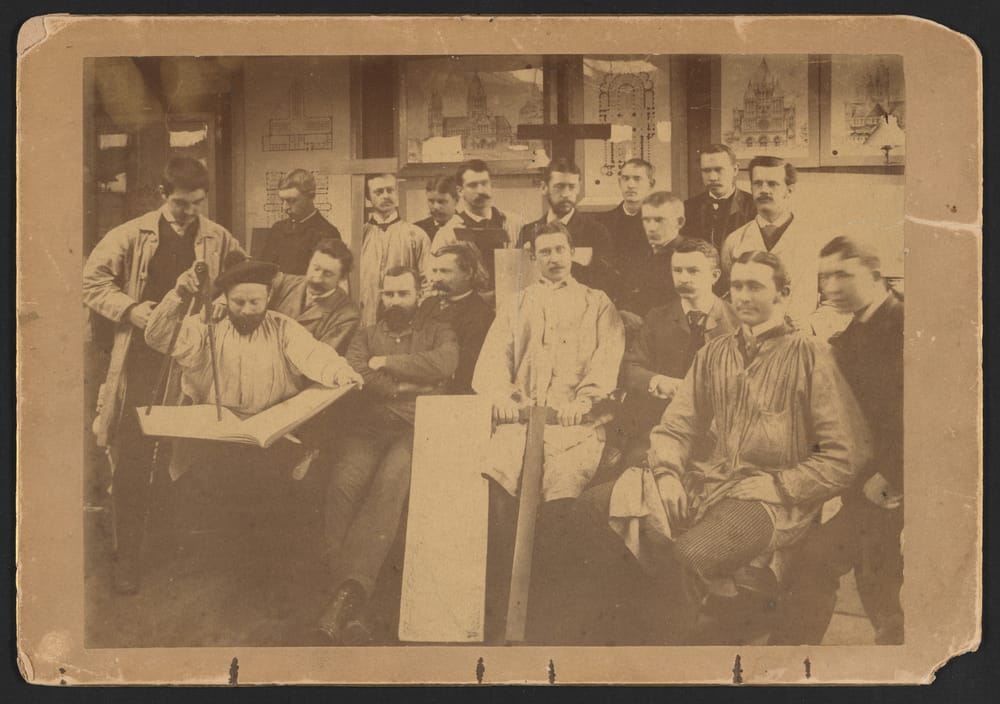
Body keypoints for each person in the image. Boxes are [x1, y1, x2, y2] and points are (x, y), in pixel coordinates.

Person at [561, 250, 869, 645]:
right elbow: (676, 427)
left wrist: (779, 487)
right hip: (706, 482)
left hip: (771, 502)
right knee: (587, 509)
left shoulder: (813, 356)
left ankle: (676, 664)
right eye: (736, 286)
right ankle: (620, 639)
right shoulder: (713, 354)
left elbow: (845, 455)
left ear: (784, 293)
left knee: (689, 556)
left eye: (755, 286)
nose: (742, 295)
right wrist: (668, 474)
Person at [83, 156, 245, 594]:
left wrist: (225, 304)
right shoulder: (129, 235)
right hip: (141, 358)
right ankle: (128, 561)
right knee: (134, 456)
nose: (188, 212)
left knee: (183, 454)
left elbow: (243, 278)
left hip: (191, 359)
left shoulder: (217, 237)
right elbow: (91, 282)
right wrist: (132, 309)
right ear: (161, 196)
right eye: (179, 203)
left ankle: (172, 549)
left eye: (196, 203)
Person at [472, 221, 624, 642]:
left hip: (573, 425)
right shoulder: (519, 302)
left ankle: (550, 613)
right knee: (495, 486)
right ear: (534, 258)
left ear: (573, 253)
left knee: (561, 502)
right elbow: (493, 360)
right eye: (545, 252)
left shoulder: (597, 303)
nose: (554, 258)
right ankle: (499, 605)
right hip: (521, 421)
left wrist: (584, 402)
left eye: (560, 249)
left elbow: (607, 359)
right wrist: (502, 396)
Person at [769, 237, 904, 645]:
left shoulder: (906, 324)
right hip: (864, 484)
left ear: (876, 274)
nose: (831, 286)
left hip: (896, 487)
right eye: (825, 276)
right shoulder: (856, 329)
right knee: (871, 582)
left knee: (826, 562)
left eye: (843, 274)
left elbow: (926, 412)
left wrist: (892, 476)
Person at [313, 267, 458, 644]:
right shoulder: (366, 333)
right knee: (342, 487)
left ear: (417, 294)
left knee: (387, 489)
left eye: (402, 294)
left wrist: (388, 365)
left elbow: (444, 365)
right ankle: (351, 602)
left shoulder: (437, 330)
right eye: (389, 294)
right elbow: (358, 372)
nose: (395, 301)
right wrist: (410, 387)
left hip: (414, 430)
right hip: (368, 429)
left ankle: (346, 597)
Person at [616, 238, 739, 467]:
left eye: (693, 271)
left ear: (714, 276)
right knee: (638, 467)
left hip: (718, 431)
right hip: (661, 426)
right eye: (677, 270)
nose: (683, 278)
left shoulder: (736, 321)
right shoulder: (657, 317)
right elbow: (630, 368)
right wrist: (659, 381)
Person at [721, 156, 821, 329]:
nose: (764, 190)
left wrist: (810, 325)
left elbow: (835, 302)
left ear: (789, 190)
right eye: (757, 184)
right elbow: (726, 297)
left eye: (772, 184)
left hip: (799, 340)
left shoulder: (815, 240)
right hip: (751, 342)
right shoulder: (735, 241)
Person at [517, 158, 616, 296]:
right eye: (559, 187)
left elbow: (607, 282)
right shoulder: (528, 232)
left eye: (572, 187)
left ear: (579, 188)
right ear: (544, 187)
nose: (565, 194)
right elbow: (519, 281)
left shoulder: (596, 231)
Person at [417, 243, 495, 394]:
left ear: (468, 273)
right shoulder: (428, 304)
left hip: (452, 393)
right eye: (435, 271)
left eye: (445, 272)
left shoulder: (481, 315)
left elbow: (464, 370)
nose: (436, 278)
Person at [359, 173, 431, 327]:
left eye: (390, 190)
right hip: (366, 319)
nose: (386, 196)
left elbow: (428, 281)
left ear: (397, 194)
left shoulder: (416, 235)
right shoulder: (359, 236)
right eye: (379, 192)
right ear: (368, 197)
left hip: (406, 320)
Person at [269, 238, 360, 355]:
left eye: (327, 274)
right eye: (315, 268)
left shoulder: (348, 315)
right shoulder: (285, 283)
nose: (317, 278)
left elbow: (319, 360)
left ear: (342, 278)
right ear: (309, 263)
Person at [616, 191, 688, 323]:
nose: (651, 228)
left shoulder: (690, 255)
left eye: (659, 220)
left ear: (680, 222)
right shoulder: (640, 253)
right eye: (646, 220)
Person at [260, 169, 342, 275]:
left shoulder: (328, 234)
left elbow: (322, 282)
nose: (284, 207)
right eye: (282, 201)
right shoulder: (277, 228)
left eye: (291, 201)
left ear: (311, 196)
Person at [430, 159, 523, 252]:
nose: (480, 191)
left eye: (484, 183)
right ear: (460, 191)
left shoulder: (515, 225)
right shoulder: (447, 235)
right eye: (473, 185)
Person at [681, 144, 756, 254]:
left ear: (735, 170)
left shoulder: (753, 206)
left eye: (719, 170)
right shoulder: (688, 207)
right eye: (706, 171)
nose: (712, 178)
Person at [595, 158, 656, 278]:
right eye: (625, 178)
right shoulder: (601, 223)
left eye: (637, 179)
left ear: (651, 184)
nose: (630, 185)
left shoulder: (660, 223)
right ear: (619, 183)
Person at [413, 175, 461, 241]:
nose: (436, 207)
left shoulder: (468, 228)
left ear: (456, 200)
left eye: (441, 201)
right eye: (431, 201)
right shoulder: (417, 229)